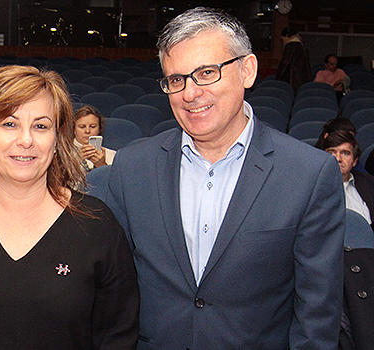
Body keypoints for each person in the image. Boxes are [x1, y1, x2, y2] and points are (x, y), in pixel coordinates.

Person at [106, 7, 344, 349]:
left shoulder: (309, 174)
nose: (189, 93)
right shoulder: (133, 167)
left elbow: (317, 316)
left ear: (247, 70)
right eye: (176, 80)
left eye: (206, 72)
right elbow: (114, 294)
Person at [0, 65, 139, 350]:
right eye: (9, 124)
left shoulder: (97, 224)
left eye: (41, 126)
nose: (26, 140)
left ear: (57, 140)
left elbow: (117, 336)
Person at [316, 130, 374, 226]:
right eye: (331, 152)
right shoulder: (311, 188)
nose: (338, 158)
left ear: (355, 161)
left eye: (345, 153)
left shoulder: (369, 183)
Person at [73, 105, 115, 171]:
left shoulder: (112, 155)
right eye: (82, 127)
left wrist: (102, 165)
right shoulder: (63, 154)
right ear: (74, 129)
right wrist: (76, 163)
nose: (87, 131)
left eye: (92, 126)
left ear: (99, 129)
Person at [275, 26, 312, 92]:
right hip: (303, 81)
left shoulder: (290, 46)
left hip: (291, 82)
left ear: (286, 36)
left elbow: (284, 64)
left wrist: (277, 79)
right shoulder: (302, 47)